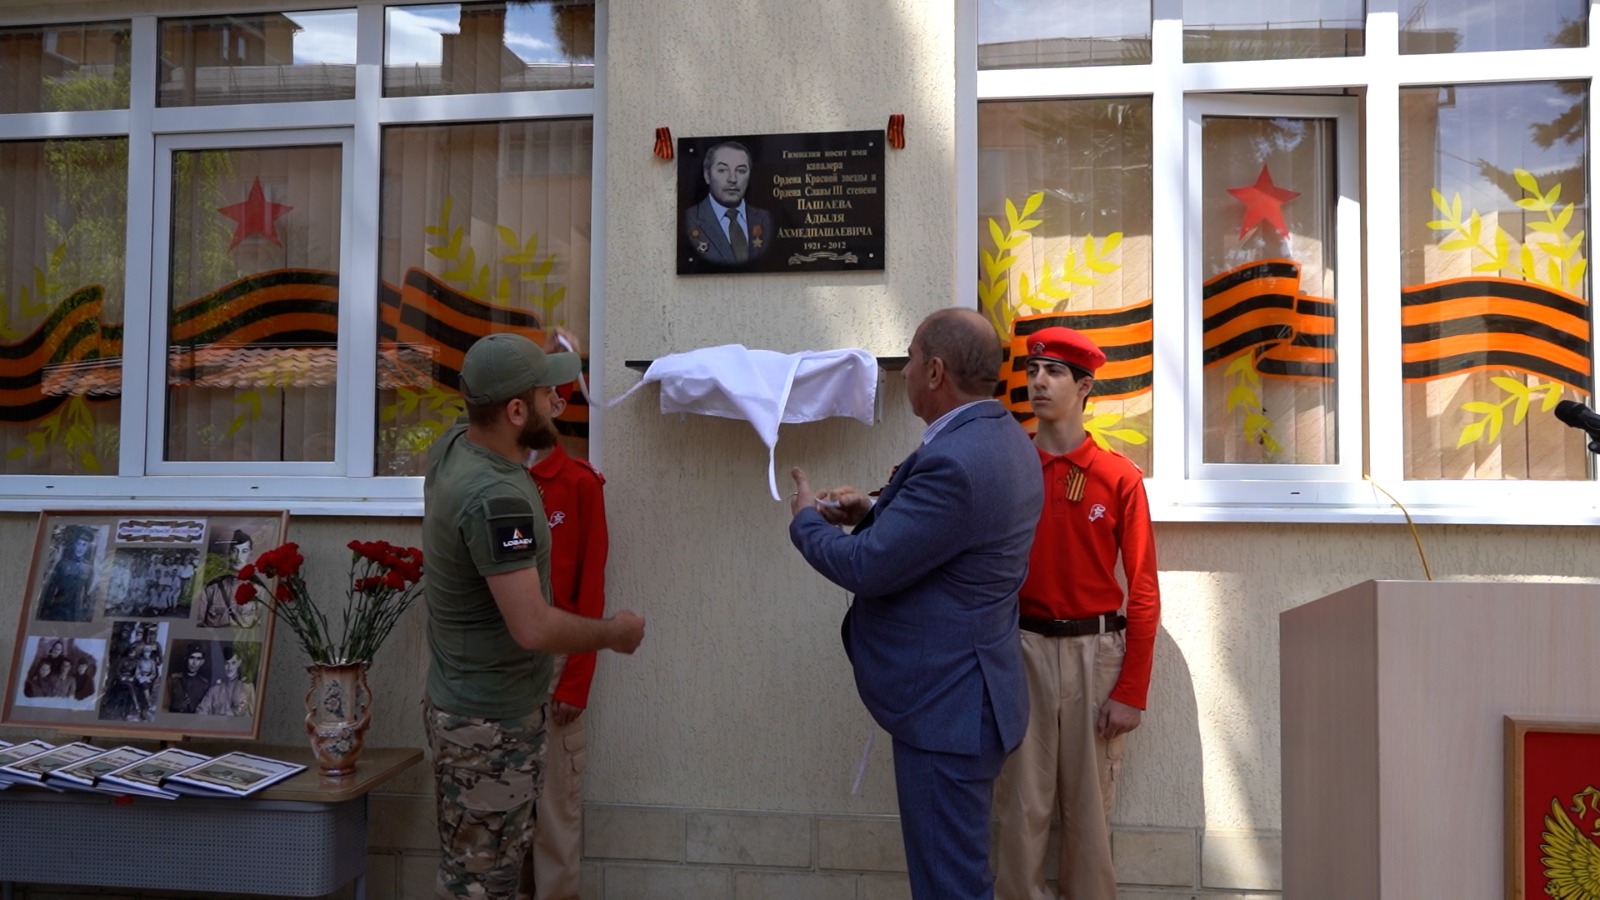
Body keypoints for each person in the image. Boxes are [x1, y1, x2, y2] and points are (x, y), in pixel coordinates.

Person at [787, 307, 1043, 900]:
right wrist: (875, 513)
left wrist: (804, 521)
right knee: (957, 879)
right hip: (973, 697)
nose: (902, 372)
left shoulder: (955, 459)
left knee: (949, 888)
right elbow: (960, 538)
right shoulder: (1005, 438)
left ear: (934, 371)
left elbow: (865, 567)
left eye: (909, 358)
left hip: (948, 708)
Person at [423, 331, 645, 900]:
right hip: (489, 729)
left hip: (462, 706)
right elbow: (533, 626)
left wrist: (516, 364)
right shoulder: (497, 500)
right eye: (547, 393)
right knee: (484, 883)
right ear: (516, 412)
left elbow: (481, 400)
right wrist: (613, 634)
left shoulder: (453, 447)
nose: (558, 400)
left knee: (470, 869)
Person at [993, 326, 1161, 900]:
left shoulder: (1119, 478)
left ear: (1084, 386)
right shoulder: (1009, 468)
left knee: (1089, 814)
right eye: (1032, 370)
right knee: (1021, 807)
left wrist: (1132, 689)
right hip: (1022, 649)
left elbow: (1143, 588)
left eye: (1055, 372)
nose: (1038, 382)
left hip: (1097, 655)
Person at [522, 385, 610, 900]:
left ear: (556, 407)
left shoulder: (579, 483)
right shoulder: (496, 478)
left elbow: (590, 588)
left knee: (555, 813)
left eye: (544, 398)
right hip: (499, 665)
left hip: (556, 663)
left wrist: (576, 679)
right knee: (499, 811)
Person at [683, 141, 774, 266]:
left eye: (741, 171)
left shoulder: (767, 219)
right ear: (707, 175)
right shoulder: (688, 220)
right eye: (722, 170)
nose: (733, 179)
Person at [37, 525, 97, 622]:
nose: (80, 548)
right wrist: (45, 609)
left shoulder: (88, 568)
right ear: (74, 545)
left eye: (84, 545)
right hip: (58, 609)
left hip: (76, 614)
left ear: (87, 548)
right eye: (78, 544)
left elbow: (88, 594)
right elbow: (51, 589)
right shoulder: (63, 564)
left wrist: (85, 615)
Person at [196, 644, 255, 716]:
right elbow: (201, 711)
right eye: (227, 663)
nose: (230, 667)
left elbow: (255, 714)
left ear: (239, 663)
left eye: (233, 663)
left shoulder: (247, 687)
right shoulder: (215, 688)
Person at [167, 642, 212, 713]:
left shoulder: (204, 685)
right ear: (186, 658)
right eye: (192, 657)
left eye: (198, 659)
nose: (194, 662)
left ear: (202, 662)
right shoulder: (173, 680)